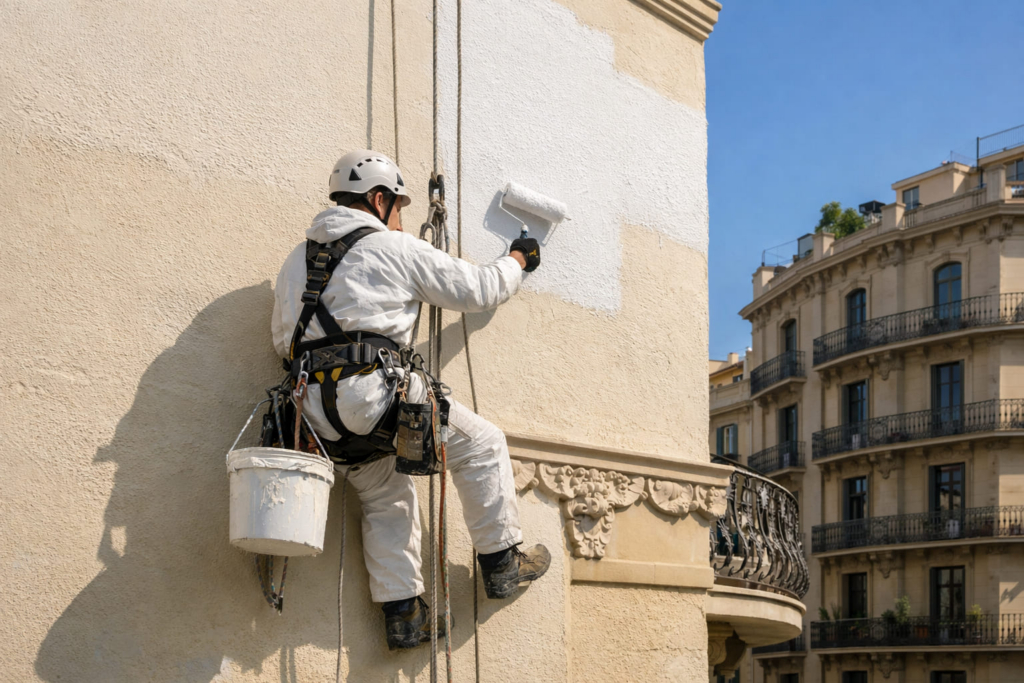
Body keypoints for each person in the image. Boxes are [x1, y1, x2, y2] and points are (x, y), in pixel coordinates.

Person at [271, 150, 550, 650]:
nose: (400, 217)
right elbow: (478, 288)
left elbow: (280, 341)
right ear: (379, 200)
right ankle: (503, 562)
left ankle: (405, 616)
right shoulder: (391, 248)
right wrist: (518, 258)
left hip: (314, 418)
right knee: (483, 445)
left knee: (385, 495)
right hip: (376, 398)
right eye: (398, 205)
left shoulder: (296, 260)